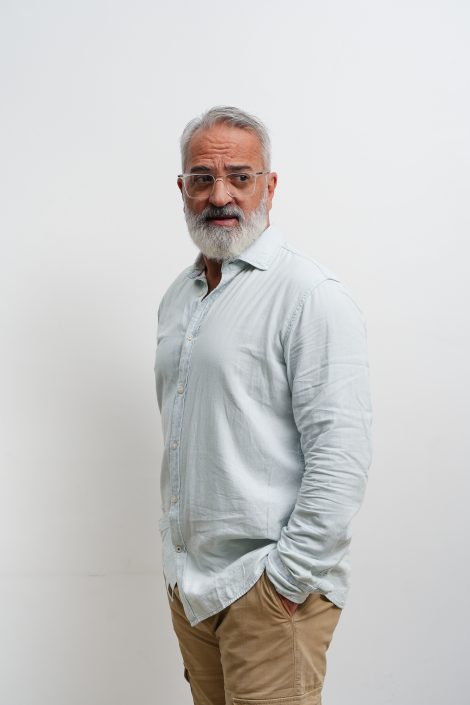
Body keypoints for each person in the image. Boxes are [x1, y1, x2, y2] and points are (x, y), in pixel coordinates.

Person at [154, 106, 372, 705]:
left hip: (270, 594)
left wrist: (286, 581)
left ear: (269, 186)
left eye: (239, 177)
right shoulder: (178, 298)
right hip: (192, 590)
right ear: (182, 189)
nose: (219, 195)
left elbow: (341, 454)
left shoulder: (309, 295)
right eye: (202, 178)